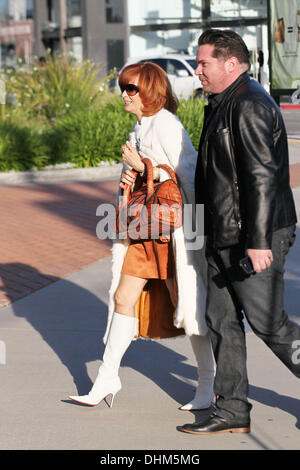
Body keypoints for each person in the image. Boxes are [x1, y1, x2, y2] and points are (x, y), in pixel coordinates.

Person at [69, 62, 215, 410]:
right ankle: (107, 377)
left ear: (150, 90)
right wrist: (130, 180)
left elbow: (189, 178)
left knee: (188, 303)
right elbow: (138, 183)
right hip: (144, 232)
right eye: (123, 87)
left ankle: (208, 380)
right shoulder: (139, 128)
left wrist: (143, 169)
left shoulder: (166, 124)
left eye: (131, 89)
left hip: (174, 232)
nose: (124, 94)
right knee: (123, 297)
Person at [180, 29, 300, 435]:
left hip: (254, 236)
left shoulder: (247, 104)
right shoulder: (223, 101)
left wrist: (259, 241)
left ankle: (232, 407)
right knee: (221, 320)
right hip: (224, 235)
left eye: (204, 63)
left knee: (271, 325)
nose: (198, 71)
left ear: (231, 63)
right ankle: (232, 409)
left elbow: (261, 179)